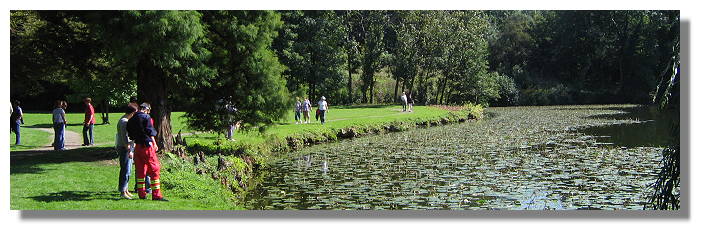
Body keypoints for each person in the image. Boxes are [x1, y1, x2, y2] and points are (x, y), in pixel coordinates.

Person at [127, 103, 167, 201]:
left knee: (141, 171)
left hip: (137, 147)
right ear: (146, 109)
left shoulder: (131, 120)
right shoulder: (146, 117)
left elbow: (131, 135)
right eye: (149, 111)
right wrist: (154, 143)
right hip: (146, 147)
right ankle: (156, 195)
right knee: (154, 169)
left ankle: (141, 193)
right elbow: (150, 132)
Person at [116, 105, 137, 199]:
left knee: (128, 170)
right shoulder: (124, 122)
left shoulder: (124, 120)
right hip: (125, 148)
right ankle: (122, 191)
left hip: (127, 147)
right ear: (132, 113)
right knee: (125, 170)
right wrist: (129, 149)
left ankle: (126, 189)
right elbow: (124, 137)